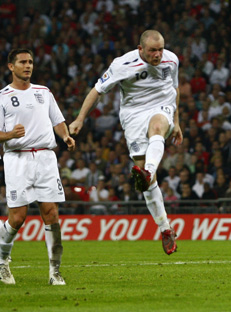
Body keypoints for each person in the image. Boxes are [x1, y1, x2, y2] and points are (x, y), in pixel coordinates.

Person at [69, 30, 182, 255]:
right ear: (140, 49)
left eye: (160, 49)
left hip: (162, 107)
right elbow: (97, 91)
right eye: (152, 50)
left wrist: (176, 122)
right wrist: (80, 118)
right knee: (148, 184)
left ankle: (148, 170)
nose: (158, 54)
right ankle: (165, 228)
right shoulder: (122, 64)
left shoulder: (172, 59)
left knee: (158, 127)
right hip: (133, 115)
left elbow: (174, 89)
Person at [0, 48, 76, 285]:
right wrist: (10, 134)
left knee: (51, 213)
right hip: (17, 158)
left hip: (45, 158)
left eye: (31, 62)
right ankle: (2, 261)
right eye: (22, 62)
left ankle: (55, 272)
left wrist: (65, 137)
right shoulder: (2, 96)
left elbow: (58, 120)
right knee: (18, 217)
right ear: (11, 67)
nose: (28, 66)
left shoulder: (44, 92)